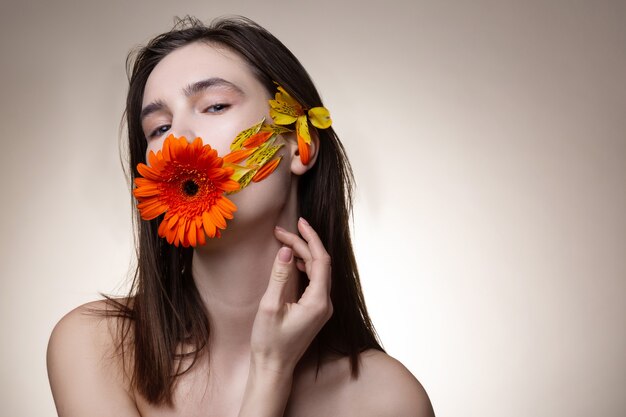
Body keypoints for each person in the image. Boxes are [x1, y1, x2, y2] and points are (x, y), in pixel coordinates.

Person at [46, 16, 435, 417]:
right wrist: (269, 375)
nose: (177, 139)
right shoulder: (95, 348)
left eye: (215, 105)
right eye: (158, 127)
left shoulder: (386, 400)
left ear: (299, 146)